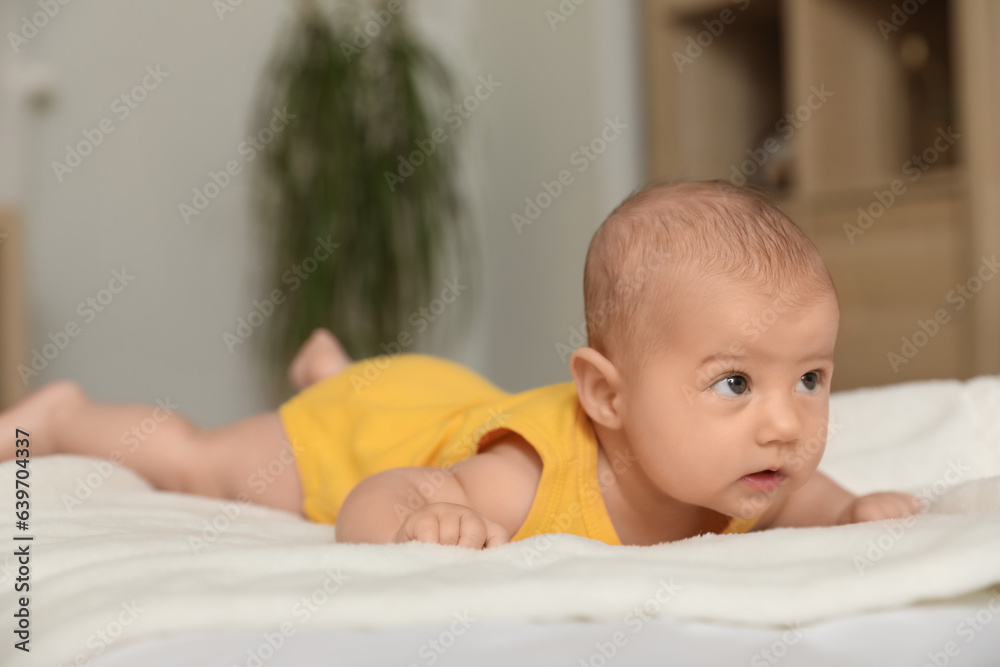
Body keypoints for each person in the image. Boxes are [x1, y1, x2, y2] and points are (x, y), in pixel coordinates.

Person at [0, 181, 922, 549]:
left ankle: (333, 363)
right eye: (735, 382)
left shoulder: (749, 470)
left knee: (417, 400)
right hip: (365, 427)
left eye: (811, 378)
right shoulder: (526, 475)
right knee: (201, 461)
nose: (785, 424)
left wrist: (848, 508)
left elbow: (801, 490)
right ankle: (68, 413)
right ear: (605, 394)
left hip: (448, 396)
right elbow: (375, 502)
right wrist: (421, 520)